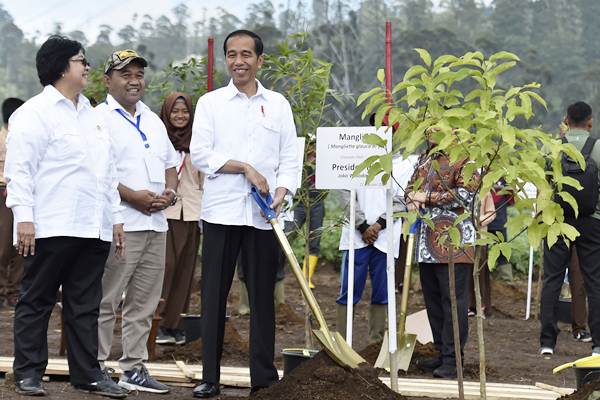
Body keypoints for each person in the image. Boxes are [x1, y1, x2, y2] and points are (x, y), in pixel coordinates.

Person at [4, 35, 126, 398]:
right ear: (60, 67)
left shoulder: (93, 115)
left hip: (93, 225)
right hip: (51, 223)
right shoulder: (33, 114)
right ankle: (27, 372)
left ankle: (87, 373)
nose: (86, 66)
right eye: (80, 60)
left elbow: (108, 171)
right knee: (37, 299)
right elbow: (20, 171)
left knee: (85, 304)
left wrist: (115, 218)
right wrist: (24, 218)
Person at [190, 29, 298, 398]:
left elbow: (289, 157)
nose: (239, 61)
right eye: (232, 54)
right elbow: (201, 154)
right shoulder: (211, 103)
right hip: (221, 213)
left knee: (263, 298)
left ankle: (264, 379)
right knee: (214, 296)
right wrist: (245, 168)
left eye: (246, 54)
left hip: (263, 217)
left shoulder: (279, 105)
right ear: (226, 60)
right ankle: (210, 377)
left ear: (260, 60)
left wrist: (283, 191)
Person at [96, 49, 179, 393]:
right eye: (125, 74)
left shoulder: (153, 119)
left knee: (144, 303)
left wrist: (170, 194)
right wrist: (133, 196)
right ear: (108, 80)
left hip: (156, 224)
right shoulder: (99, 119)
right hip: (120, 223)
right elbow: (99, 173)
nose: (134, 81)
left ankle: (133, 367)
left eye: (138, 75)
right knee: (107, 299)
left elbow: (170, 168)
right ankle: (96, 366)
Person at [406, 136, 479, 379]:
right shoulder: (425, 158)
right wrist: (410, 200)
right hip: (427, 242)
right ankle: (441, 352)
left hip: (454, 241)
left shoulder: (463, 157)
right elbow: (409, 188)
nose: (429, 133)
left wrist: (426, 198)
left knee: (454, 301)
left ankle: (453, 359)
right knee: (434, 301)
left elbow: (465, 196)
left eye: (434, 127)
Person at [540, 101, 600, 357]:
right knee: (594, 280)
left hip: (557, 220)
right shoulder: (597, 146)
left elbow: (543, 183)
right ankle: (597, 343)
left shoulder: (552, 147)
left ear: (565, 120)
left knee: (552, 279)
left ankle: (547, 342)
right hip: (591, 220)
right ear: (590, 121)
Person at [336, 156, 414, 344]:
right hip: (356, 237)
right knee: (349, 289)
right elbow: (346, 195)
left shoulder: (400, 165)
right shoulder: (353, 157)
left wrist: (378, 225)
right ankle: (342, 343)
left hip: (385, 238)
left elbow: (401, 198)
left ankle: (375, 343)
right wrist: (362, 226)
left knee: (382, 291)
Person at [155, 92, 204, 346]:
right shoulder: (158, 140)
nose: (180, 116)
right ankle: (157, 321)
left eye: (185, 111)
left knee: (186, 271)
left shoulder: (199, 142)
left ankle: (175, 324)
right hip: (166, 213)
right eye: (175, 111)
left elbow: (204, 178)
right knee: (166, 267)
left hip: (193, 213)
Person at [0, 97, 24, 309]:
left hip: (21, 193)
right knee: (3, 245)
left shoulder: (22, 137)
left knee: (20, 244)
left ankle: (14, 291)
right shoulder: (2, 138)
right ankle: (2, 290)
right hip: (2, 193)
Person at [468, 192, 496, 318]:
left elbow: (492, 212)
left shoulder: (485, 190)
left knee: (480, 273)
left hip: (480, 237)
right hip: (463, 240)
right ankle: (468, 305)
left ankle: (481, 306)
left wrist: (479, 220)